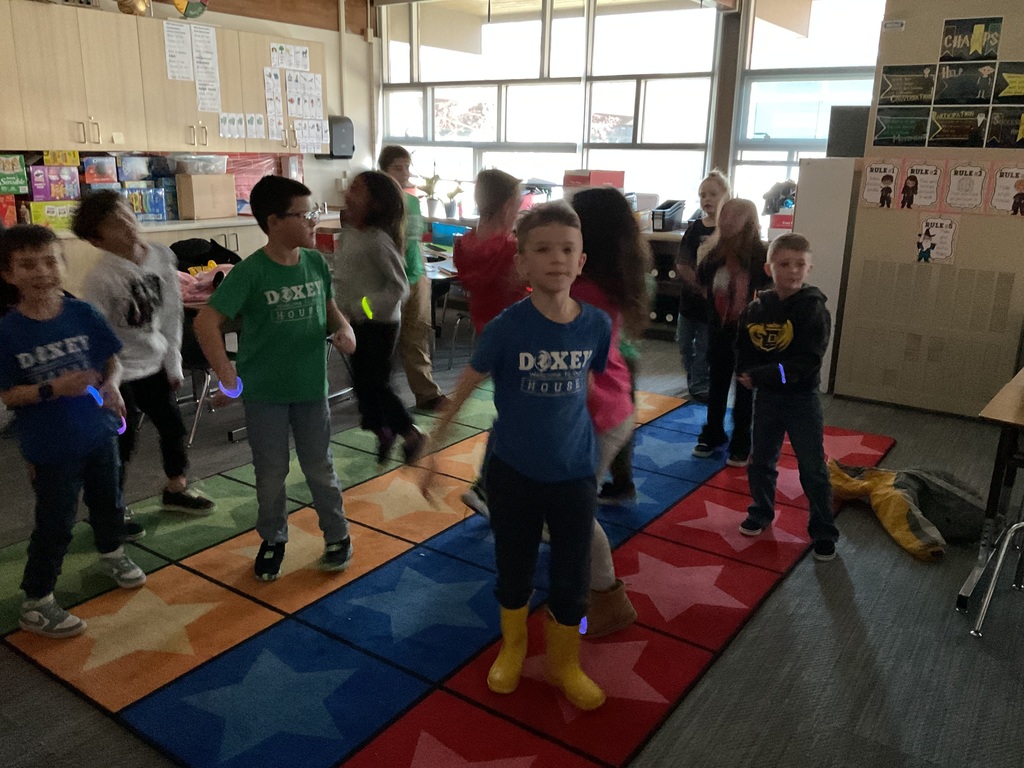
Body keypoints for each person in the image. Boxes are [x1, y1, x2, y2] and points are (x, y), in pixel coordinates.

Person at [420, 202, 610, 711]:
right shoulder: (507, 328)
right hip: (514, 474)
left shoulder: (595, 324)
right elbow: (462, 390)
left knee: (572, 574)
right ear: (522, 264)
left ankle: (564, 662)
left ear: (581, 260)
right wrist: (434, 447)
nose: (556, 259)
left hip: (573, 475)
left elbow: (587, 383)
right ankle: (514, 646)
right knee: (514, 568)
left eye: (566, 250)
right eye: (543, 250)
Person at [194, 175, 357, 582]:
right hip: (265, 393)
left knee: (320, 467)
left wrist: (346, 330)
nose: (313, 222)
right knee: (270, 473)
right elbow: (205, 322)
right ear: (274, 221)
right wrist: (227, 375)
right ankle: (273, 537)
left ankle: (337, 534)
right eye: (304, 215)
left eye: (312, 213)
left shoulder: (316, 262)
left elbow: (332, 309)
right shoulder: (250, 273)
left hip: (310, 390)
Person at [0, 225, 147, 638]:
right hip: (51, 445)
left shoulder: (82, 313)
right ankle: (36, 601)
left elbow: (110, 361)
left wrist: (112, 386)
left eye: (50, 261)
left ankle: (112, 552)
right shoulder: (8, 332)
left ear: (63, 265)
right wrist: (52, 389)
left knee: (109, 500)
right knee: (56, 521)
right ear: (9, 275)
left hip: (98, 432)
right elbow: (9, 395)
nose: (42, 272)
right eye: (27, 265)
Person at [75, 190, 215, 534]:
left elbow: (171, 315)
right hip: (119, 372)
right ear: (96, 239)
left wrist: (173, 362)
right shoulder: (100, 278)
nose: (126, 225)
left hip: (153, 363)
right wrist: (105, 384)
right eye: (113, 223)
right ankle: (109, 509)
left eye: (126, 214)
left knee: (172, 426)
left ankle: (176, 488)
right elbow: (97, 335)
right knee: (121, 442)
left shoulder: (160, 257)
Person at [569, 187, 651, 638]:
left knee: (572, 513)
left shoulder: (585, 290)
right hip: (611, 408)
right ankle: (591, 593)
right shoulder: (608, 278)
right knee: (570, 510)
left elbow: (575, 365)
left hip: (598, 414)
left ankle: (605, 600)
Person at [735, 232, 839, 561]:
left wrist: (763, 375)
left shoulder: (814, 310)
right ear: (770, 268)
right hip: (767, 399)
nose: (792, 271)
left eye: (799, 265)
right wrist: (745, 373)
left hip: (801, 399)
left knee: (812, 467)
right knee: (762, 459)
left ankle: (823, 529)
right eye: (784, 264)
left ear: (809, 269)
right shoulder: (756, 308)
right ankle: (761, 511)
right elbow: (744, 346)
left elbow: (807, 363)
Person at [333, 170, 425, 464]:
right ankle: (382, 429)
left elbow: (399, 288)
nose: (349, 192)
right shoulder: (351, 234)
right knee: (363, 384)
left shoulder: (377, 240)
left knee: (377, 384)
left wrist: (361, 308)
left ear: (375, 203)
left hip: (379, 325)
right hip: (356, 323)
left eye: (357, 190)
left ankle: (411, 434)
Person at [451, 168, 528, 514]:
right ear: (507, 205)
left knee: (512, 408)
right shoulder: (509, 248)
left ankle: (493, 483)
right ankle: (486, 484)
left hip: (486, 330)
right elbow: (526, 283)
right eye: (519, 201)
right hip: (520, 334)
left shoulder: (465, 243)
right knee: (518, 413)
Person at [691, 198, 770, 465]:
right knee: (718, 384)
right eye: (724, 214)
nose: (725, 220)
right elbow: (704, 285)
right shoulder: (714, 256)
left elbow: (768, 292)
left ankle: (741, 440)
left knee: (746, 387)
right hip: (720, 331)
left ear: (747, 221)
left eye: (733, 215)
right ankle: (713, 433)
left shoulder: (760, 257)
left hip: (750, 334)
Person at [378, 145, 450, 412]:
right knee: (382, 340)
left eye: (407, 167)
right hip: (385, 281)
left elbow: (415, 242)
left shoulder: (413, 202)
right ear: (383, 170)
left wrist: (423, 274)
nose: (404, 172)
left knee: (417, 335)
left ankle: (427, 394)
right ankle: (378, 396)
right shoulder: (375, 205)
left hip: (416, 276)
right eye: (398, 167)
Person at [675, 170, 730, 403]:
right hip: (691, 300)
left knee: (705, 346)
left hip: (715, 303)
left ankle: (700, 384)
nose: (706, 199)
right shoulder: (695, 228)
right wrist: (699, 286)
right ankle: (693, 377)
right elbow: (682, 262)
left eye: (712, 194)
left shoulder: (728, 230)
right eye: (702, 195)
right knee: (684, 342)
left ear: (725, 196)